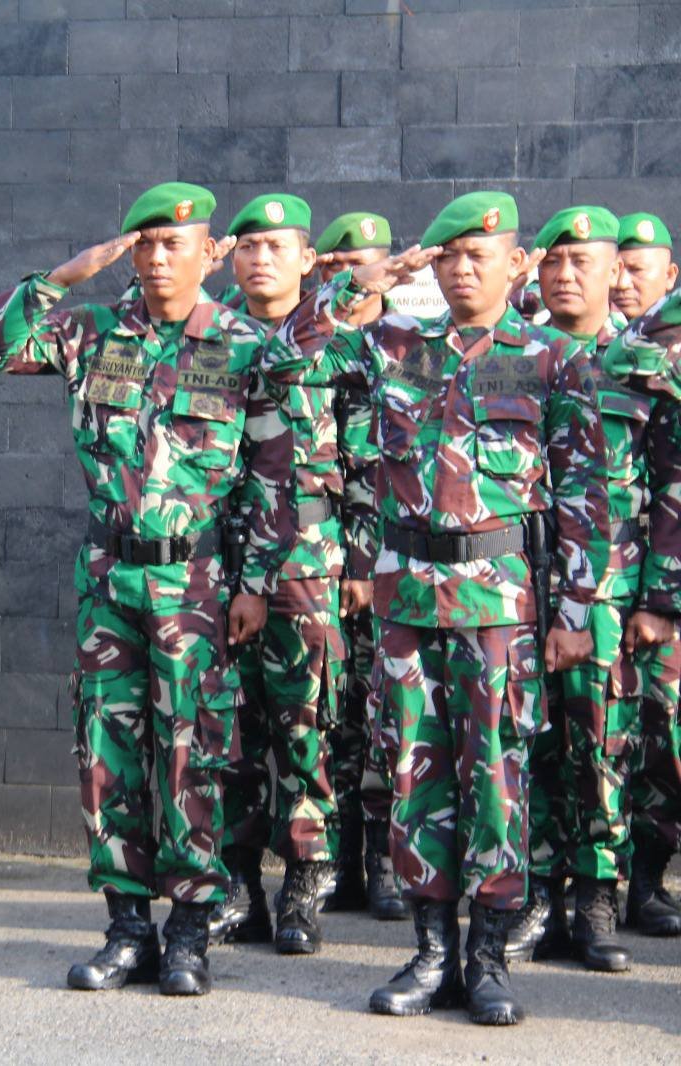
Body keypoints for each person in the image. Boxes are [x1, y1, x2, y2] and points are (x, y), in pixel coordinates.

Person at [267, 190, 610, 1026]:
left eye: (477, 256)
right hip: (408, 604)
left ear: (514, 264)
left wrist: (576, 610)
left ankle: (487, 958)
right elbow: (285, 354)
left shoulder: (551, 359)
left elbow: (584, 494)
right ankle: (430, 953)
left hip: (498, 608)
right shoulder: (395, 344)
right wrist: (368, 282)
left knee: (495, 778)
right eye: (448, 255)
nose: (461, 270)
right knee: (414, 775)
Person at [0, 181, 294, 997]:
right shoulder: (91, 332)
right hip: (108, 577)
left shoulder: (245, 347)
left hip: (194, 581)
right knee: (107, 750)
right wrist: (62, 277)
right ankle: (126, 927)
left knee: (193, 751)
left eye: (172, 243)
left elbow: (272, 473)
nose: (155, 257)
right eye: (143, 243)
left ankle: (189, 931)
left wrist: (255, 583)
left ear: (208, 253)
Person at [207, 193, 343, 955]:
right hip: (218, 558)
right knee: (228, 727)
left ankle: (303, 883)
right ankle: (237, 885)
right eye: (247, 246)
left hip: (306, 563)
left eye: (276, 246)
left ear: (306, 259)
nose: (260, 259)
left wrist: (362, 561)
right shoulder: (208, 336)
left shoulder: (338, 340)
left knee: (303, 726)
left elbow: (368, 453)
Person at [504, 207, 638, 973]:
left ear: (615, 270)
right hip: (520, 582)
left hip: (610, 590)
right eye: (552, 261)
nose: (564, 275)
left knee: (599, 743)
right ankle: (534, 895)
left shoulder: (641, 362)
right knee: (528, 740)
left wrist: (656, 598)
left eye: (582, 261)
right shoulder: (514, 356)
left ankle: (595, 897)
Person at [307, 212, 407, 923]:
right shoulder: (318, 348)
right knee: (335, 715)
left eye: (369, 264)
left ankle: (384, 861)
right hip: (328, 561)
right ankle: (341, 861)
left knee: (387, 716)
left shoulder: (412, 345)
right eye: (344, 268)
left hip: (397, 565)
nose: (359, 278)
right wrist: (345, 564)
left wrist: (371, 566)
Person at [609, 211, 681, 937]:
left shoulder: (669, 356)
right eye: (618, 268)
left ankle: (648, 880)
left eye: (639, 269)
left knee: (660, 734)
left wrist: (662, 599)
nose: (624, 281)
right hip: (598, 583)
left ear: (671, 275)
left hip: (661, 589)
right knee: (602, 736)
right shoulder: (594, 353)